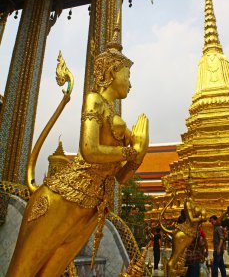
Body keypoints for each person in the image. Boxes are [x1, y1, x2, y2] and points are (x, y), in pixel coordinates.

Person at [6, 28, 149, 277]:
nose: (130, 82)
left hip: (91, 208)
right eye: (127, 74)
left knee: (49, 273)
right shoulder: (94, 100)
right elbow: (89, 150)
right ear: (113, 72)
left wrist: (140, 151)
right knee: (23, 272)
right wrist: (129, 151)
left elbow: (121, 178)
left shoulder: (120, 122)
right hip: (61, 200)